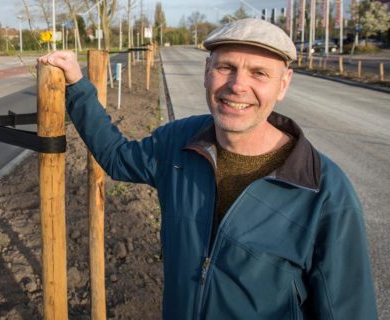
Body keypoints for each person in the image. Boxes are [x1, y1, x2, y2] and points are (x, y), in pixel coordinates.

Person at [38, 18, 378, 319]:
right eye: (226, 67)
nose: (237, 85)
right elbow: (116, 157)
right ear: (206, 72)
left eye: (259, 73)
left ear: (284, 84)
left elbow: (348, 309)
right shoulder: (179, 142)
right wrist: (77, 84)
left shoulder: (323, 191)